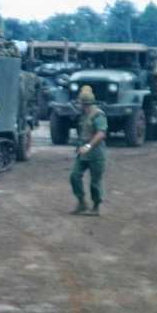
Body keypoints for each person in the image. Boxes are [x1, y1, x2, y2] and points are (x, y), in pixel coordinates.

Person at [70, 86, 108, 216]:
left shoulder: (98, 114)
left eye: (80, 103)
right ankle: (82, 202)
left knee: (95, 181)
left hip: (95, 153)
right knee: (74, 175)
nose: (78, 105)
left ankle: (96, 207)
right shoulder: (84, 115)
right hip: (83, 152)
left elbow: (101, 133)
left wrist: (89, 146)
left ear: (84, 103)